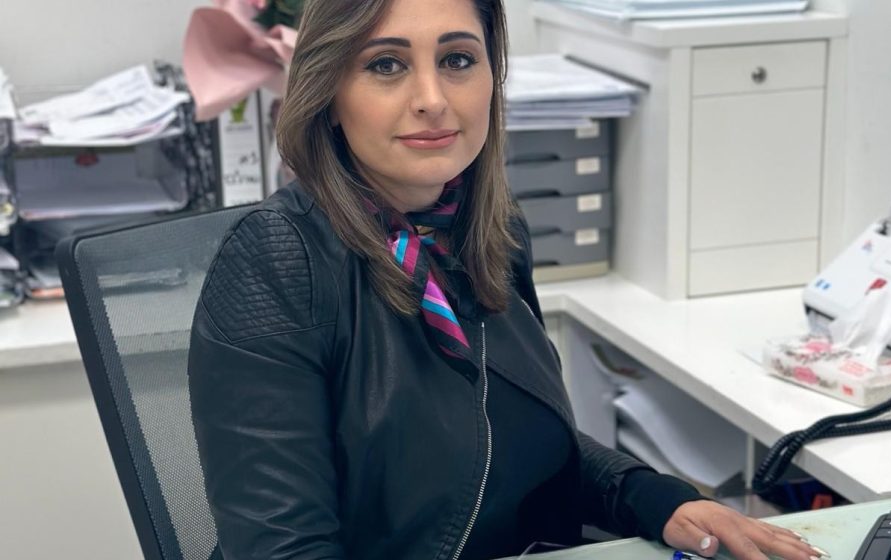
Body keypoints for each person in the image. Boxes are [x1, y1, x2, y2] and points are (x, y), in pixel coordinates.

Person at [187, 1, 829, 559]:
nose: (432, 98)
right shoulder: (276, 262)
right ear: (328, 92)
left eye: (458, 60)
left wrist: (653, 498)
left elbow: (512, 436)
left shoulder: (488, 230)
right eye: (386, 64)